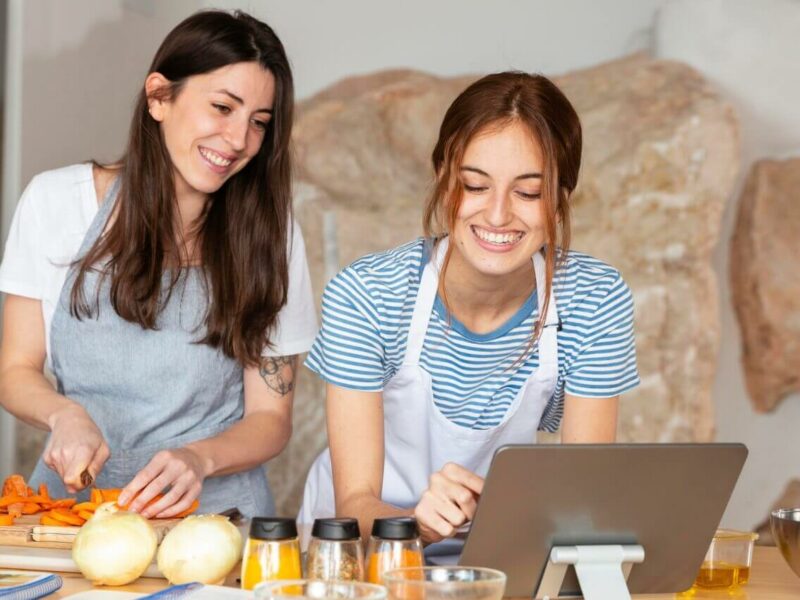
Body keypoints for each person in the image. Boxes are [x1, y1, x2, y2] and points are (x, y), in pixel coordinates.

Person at [298, 72, 639, 545]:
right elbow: (353, 502)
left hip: (497, 554)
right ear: (443, 178)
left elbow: (581, 491)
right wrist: (415, 522)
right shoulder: (368, 294)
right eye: (475, 185)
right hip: (360, 555)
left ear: (560, 200)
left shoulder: (593, 298)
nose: (497, 215)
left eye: (529, 193)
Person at [0, 10, 317, 519]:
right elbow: (15, 370)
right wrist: (65, 415)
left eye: (258, 122)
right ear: (159, 97)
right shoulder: (56, 202)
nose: (238, 140)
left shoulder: (271, 237)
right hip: (70, 517)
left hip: (216, 522)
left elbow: (270, 417)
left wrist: (199, 457)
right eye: (222, 107)